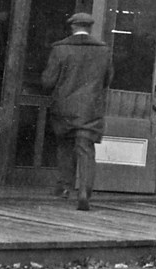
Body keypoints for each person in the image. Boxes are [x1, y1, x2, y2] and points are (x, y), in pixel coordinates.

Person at [42, 12, 114, 211]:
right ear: (89, 27)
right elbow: (107, 80)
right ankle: (84, 193)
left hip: (64, 107)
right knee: (86, 150)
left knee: (65, 147)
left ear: (72, 27)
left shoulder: (60, 49)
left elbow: (47, 81)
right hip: (90, 109)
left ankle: (64, 187)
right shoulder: (104, 50)